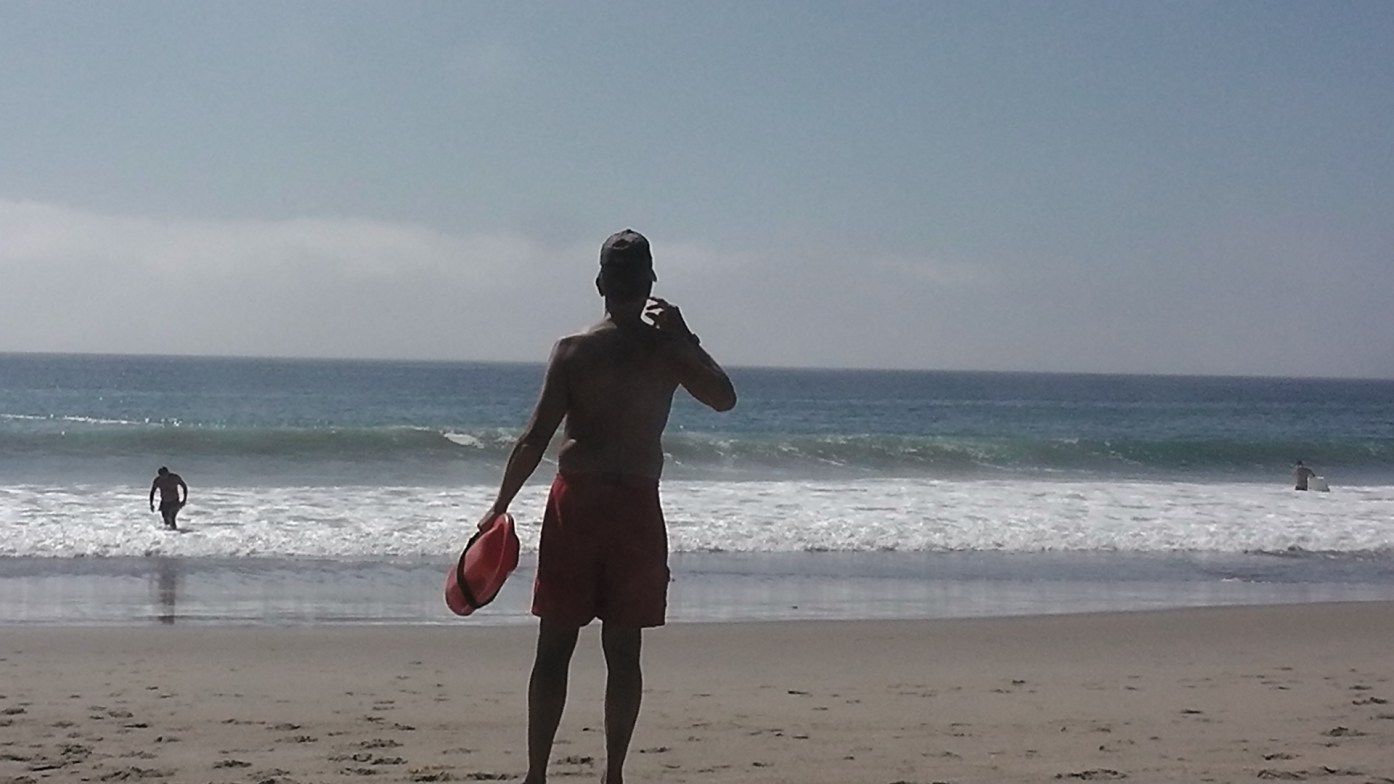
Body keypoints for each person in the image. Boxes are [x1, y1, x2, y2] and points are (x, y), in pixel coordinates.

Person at [480, 229, 736, 784]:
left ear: (599, 283)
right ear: (650, 283)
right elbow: (724, 398)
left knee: (554, 646)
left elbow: (534, 438)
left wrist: (498, 507)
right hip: (635, 508)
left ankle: (536, 775)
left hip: (576, 505)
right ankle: (613, 773)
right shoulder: (668, 350)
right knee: (623, 650)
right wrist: (687, 337)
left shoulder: (574, 350)